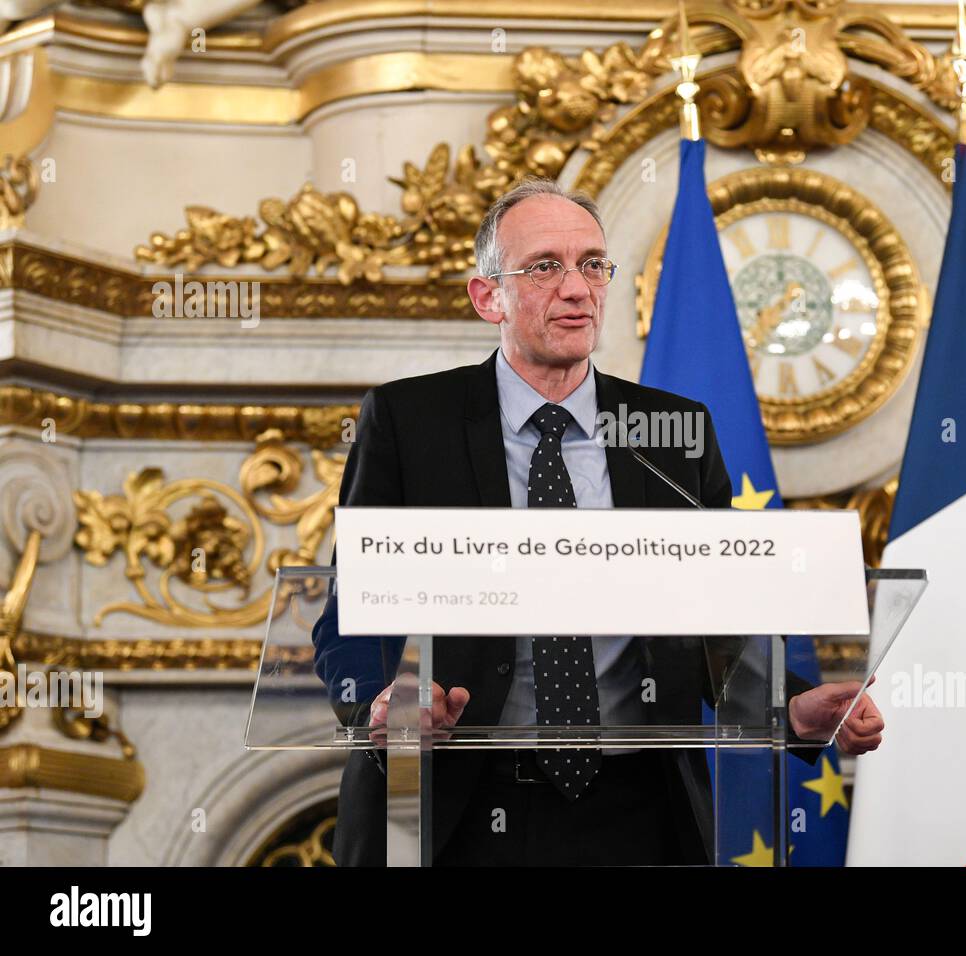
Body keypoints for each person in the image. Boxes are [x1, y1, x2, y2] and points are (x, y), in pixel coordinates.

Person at [312, 177, 885, 866]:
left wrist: (791, 712)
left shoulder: (674, 432)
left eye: (592, 264)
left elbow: (720, 630)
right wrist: (381, 702)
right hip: (454, 808)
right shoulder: (410, 422)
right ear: (487, 295)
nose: (578, 288)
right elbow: (351, 612)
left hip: (638, 813)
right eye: (545, 267)